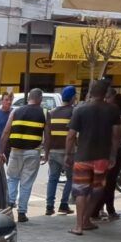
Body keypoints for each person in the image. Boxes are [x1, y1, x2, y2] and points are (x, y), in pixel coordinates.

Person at [64, 79, 121, 236]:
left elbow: (70, 136)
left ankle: (78, 226)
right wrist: (113, 154)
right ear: (105, 94)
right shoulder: (112, 110)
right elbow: (117, 134)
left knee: (80, 191)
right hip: (102, 157)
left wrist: (68, 154)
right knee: (97, 191)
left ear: (90, 92)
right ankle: (86, 220)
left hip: (82, 156)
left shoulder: (80, 109)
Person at [0, 88, 46, 222]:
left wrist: (1, 152)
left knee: (12, 179)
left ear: (29, 98)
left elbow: (6, 132)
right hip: (33, 151)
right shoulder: (44, 112)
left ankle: (9, 205)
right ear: (40, 99)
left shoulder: (16, 111)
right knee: (26, 183)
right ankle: (22, 212)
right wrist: (46, 152)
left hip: (15, 150)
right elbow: (47, 135)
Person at [92, 92, 121, 221]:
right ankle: (104, 210)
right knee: (110, 184)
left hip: (99, 152)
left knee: (99, 182)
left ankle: (99, 209)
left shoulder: (102, 117)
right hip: (115, 153)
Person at [44, 85, 77, 216]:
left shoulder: (51, 113)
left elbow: (47, 136)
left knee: (52, 178)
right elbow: (74, 134)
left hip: (53, 150)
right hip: (68, 151)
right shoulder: (74, 112)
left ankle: (49, 206)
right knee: (70, 178)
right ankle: (64, 204)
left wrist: (46, 153)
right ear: (73, 98)